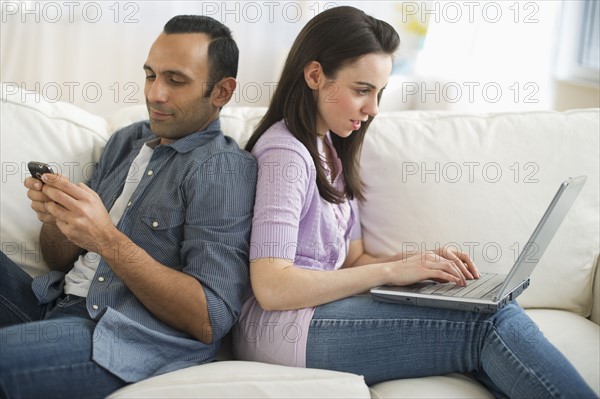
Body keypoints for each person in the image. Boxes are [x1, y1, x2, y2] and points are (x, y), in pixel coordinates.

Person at [232, 6, 597, 398]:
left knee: (488, 310)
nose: (373, 109)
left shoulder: (329, 149)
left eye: (379, 93)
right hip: (282, 329)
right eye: (362, 90)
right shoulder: (285, 154)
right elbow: (272, 286)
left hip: (318, 314)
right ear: (315, 75)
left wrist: (416, 266)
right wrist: (388, 274)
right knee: (489, 324)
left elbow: (353, 261)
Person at [0, 15, 256, 398]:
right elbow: (58, 261)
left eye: (175, 80)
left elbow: (209, 318)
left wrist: (106, 238)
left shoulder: (222, 169)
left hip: (117, 337)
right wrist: (58, 219)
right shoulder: (128, 140)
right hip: (52, 304)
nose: (155, 94)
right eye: (151, 75)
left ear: (221, 91)